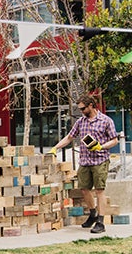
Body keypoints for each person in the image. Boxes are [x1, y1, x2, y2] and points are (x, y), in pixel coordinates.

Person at [49, 95, 118, 234]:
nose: (81, 111)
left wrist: (101, 146)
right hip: (85, 161)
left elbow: (114, 140)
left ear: (91, 105)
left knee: (99, 190)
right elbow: (69, 137)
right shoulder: (81, 122)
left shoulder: (106, 121)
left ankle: (100, 221)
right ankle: (92, 214)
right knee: (84, 189)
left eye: (83, 108)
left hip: (100, 160)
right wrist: (56, 148)